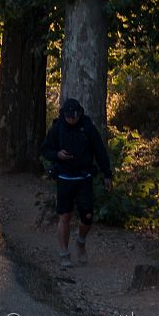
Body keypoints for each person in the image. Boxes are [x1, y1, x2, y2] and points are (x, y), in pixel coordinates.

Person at [41, 98, 113, 269]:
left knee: (87, 216)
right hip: (64, 178)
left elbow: (100, 151)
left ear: (80, 113)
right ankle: (64, 253)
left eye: (74, 116)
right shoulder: (57, 127)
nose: (71, 119)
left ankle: (81, 241)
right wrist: (57, 155)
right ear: (64, 114)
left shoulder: (87, 127)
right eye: (69, 116)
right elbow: (45, 149)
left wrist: (107, 174)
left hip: (84, 177)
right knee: (64, 216)